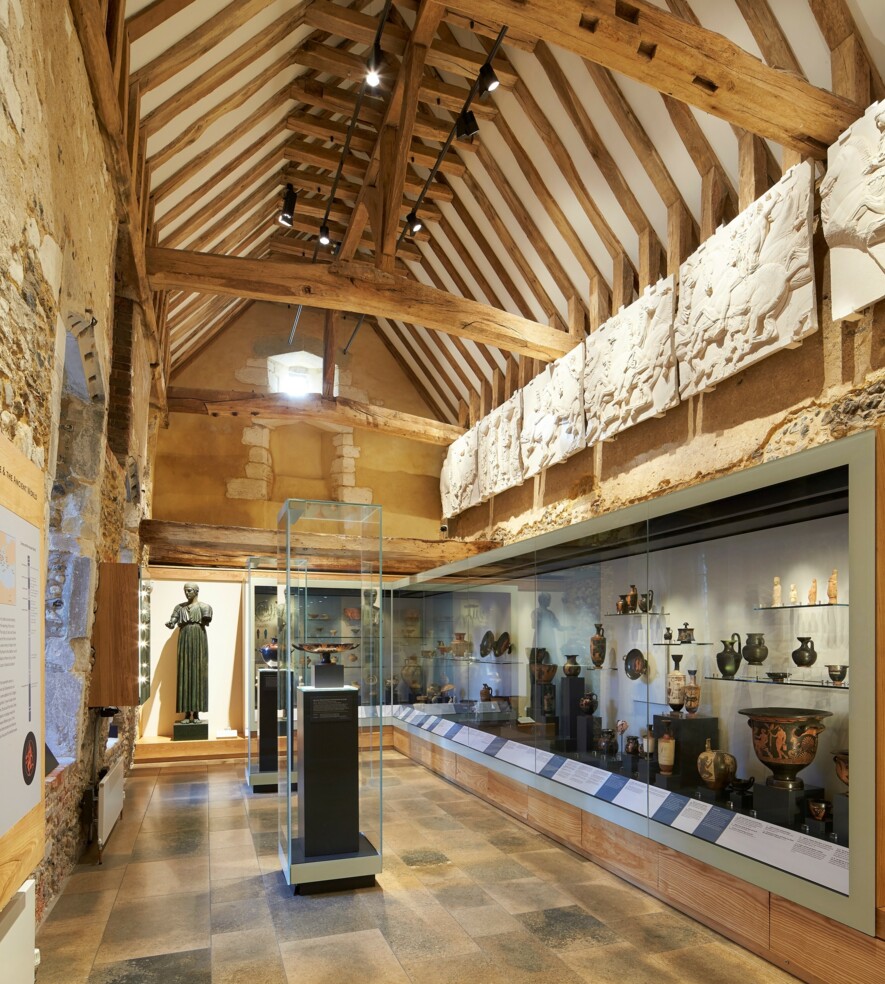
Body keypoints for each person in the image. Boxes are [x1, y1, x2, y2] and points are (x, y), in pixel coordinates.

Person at [166, 583, 212, 722]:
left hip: (199, 639)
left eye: (189, 590)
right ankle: (186, 714)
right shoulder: (179, 608)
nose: (186, 593)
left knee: (198, 674)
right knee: (184, 674)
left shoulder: (205, 607)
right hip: (184, 639)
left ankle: (197, 714)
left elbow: (207, 618)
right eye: (185, 591)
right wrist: (171, 623)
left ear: (196, 591)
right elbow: (173, 620)